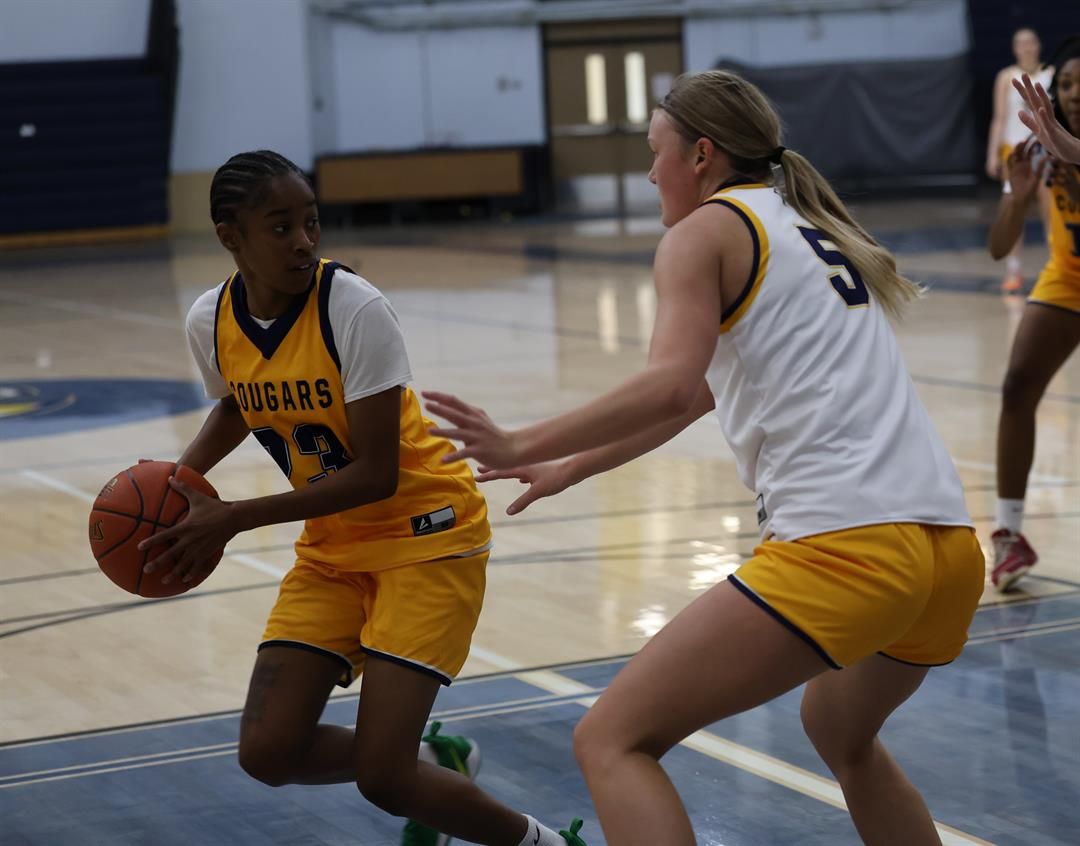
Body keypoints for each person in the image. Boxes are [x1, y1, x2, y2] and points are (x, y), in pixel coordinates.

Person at [424, 71, 985, 846]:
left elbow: (666, 385)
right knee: (839, 729)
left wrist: (522, 440)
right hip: (946, 550)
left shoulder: (702, 234)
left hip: (846, 545)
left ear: (702, 154)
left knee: (611, 740)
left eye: (656, 153)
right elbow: (699, 397)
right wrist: (574, 465)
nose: (650, 172)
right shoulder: (795, 222)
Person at [138, 150, 587, 846]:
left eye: (310, 223)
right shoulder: (212, 319)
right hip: (334, 546)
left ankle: (546, 843)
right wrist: (178, 482)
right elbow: (238, 404)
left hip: (427, 534)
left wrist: (234, 519)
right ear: (232, 237)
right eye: (280, 227)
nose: (303, 241)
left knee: (384, 777)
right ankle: (440, 761)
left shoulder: (351, 305)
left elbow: (377, 472)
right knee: (267, 753)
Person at [987, 40, 1080, 591]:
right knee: (1017, 386)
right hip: (1067, 279)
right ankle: (1008, 535)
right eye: (1067, 83)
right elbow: (1000, 249)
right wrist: (1017, 198)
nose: (1074, 92)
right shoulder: (1039, 148)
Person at [986, 27, 1054, 292]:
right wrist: (992, 153)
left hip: (1048, 154)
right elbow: (999, 118)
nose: (1026, 47)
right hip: (1015, 155)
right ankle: (1014, 271)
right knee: (1014, 212)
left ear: (1038, 45)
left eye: (1030, 42)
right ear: (1014, 48)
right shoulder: (1006, 77)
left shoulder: (1052, 73)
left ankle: (1058, 265)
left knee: (1051, 213)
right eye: (1020, 43)